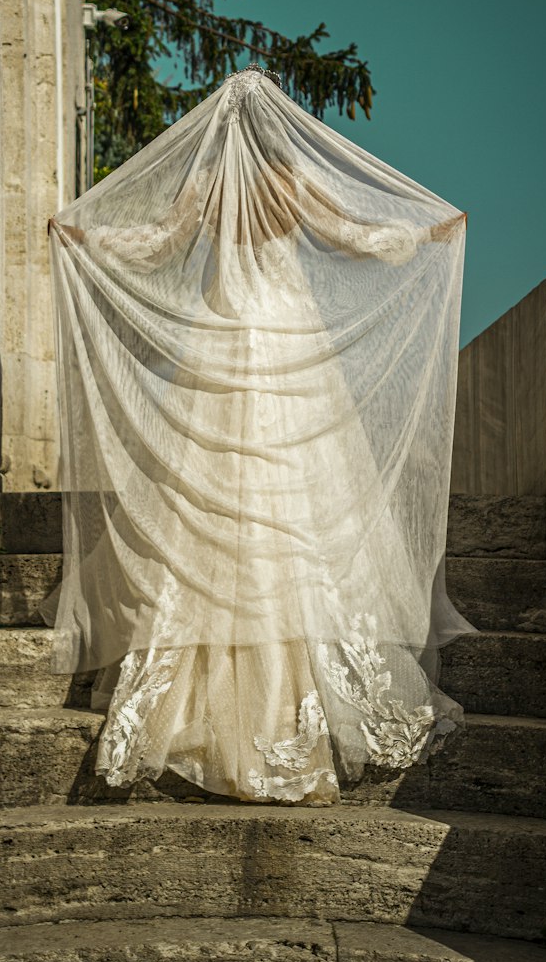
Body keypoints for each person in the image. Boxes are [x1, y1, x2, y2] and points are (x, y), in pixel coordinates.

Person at [44, 66, 473, 805]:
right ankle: (295, 714)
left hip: (221, 342)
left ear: (221, 123)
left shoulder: (207, 186)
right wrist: (423, 235)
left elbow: (154, 244)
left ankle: (189, 707)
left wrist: (87, 237)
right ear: (275, 124)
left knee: (208, 523)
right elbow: (354, 237)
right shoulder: (289, 181)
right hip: (287, 346)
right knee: (297, 520)